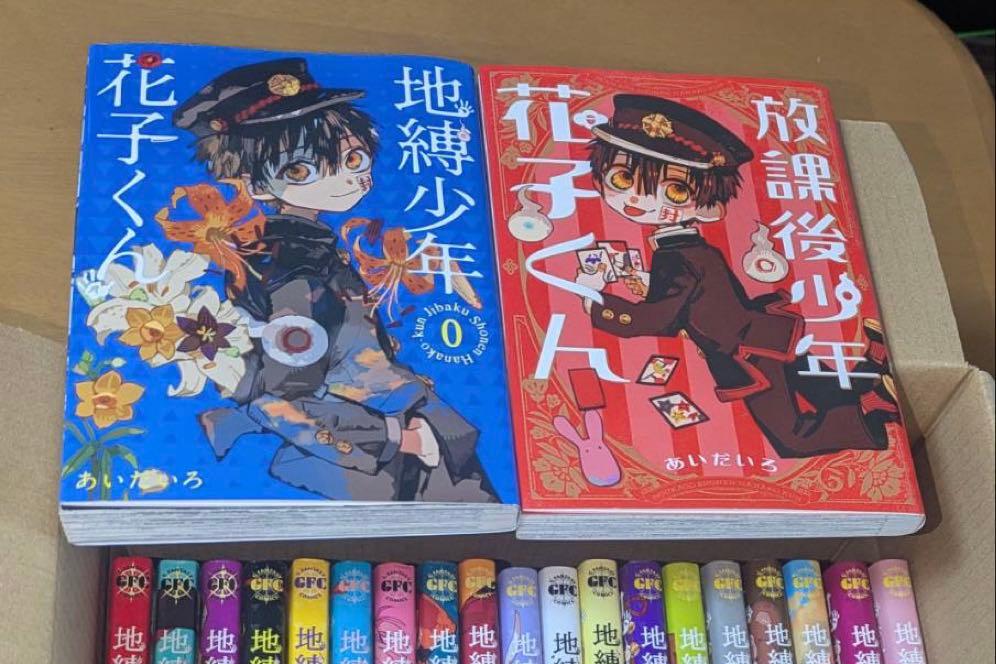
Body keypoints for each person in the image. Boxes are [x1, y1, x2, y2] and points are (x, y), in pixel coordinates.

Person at [172, 58, 497, 502]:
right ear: (256, 186)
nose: (344, 176)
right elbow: (285, 395)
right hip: (382, 449)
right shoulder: (294, 269)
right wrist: (397, 438)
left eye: (352, 157)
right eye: (301, 170)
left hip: (394, 423)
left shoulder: (303, 250)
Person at [576, 94, 899, 458]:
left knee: (792, 438)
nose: (638, 199)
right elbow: (698, 296)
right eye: (623, 177)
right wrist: (649, 283)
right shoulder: (691, 249)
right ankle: (874, 366)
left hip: (748, 354)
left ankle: (873, 404)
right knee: (824, 390)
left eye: (675, 190)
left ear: (709, 208)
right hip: (762, 333)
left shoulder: (676, 257)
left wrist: (593, 300)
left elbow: (657, 319)